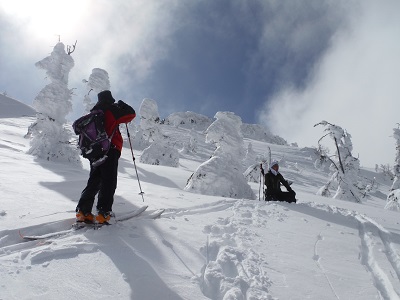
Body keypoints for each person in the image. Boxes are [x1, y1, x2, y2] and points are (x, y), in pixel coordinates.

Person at [76, 90, 136, 224]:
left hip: (95, 152)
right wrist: (121, 104)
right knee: (108, 181)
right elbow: (131, 114)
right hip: (110, 149)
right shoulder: (112, 109)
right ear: (110, 99)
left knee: (94, 182)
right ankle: (104, 213)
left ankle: (83, 211)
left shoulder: (93, 113)